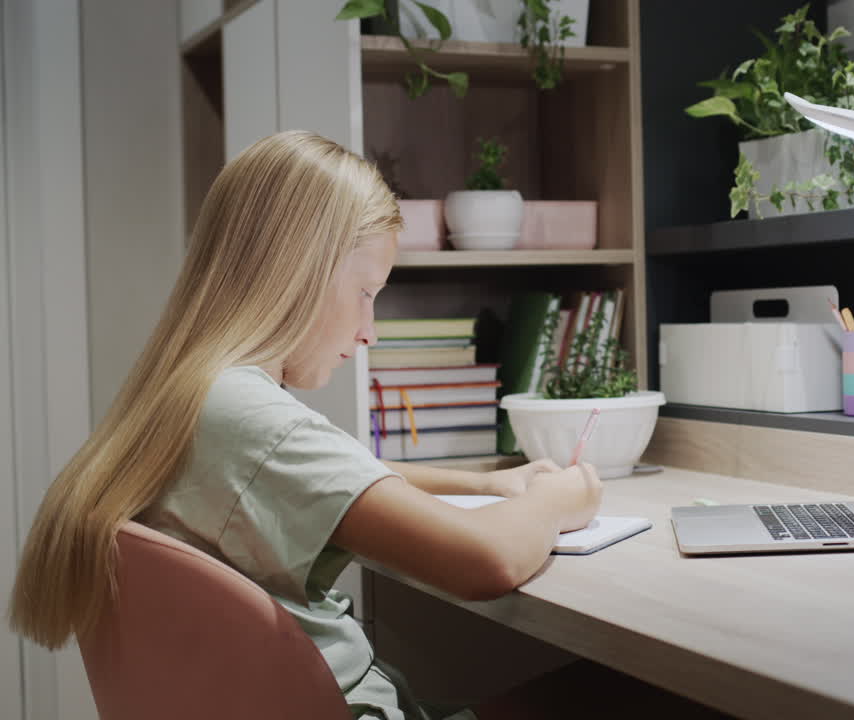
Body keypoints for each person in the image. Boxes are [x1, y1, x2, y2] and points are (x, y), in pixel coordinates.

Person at [8, 130, 604, 720]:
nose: (369, 330)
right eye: (367, 292)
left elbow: (341, 479)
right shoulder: (252, 417)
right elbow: (487, 561)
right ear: (300, 271)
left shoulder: (191, 395)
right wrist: (557, 499)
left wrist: (487, 485)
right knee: (629, 692)